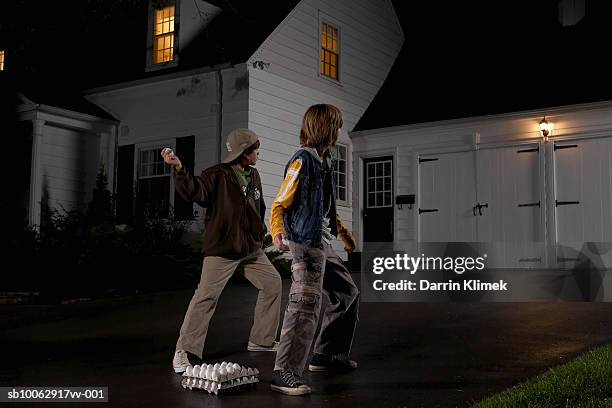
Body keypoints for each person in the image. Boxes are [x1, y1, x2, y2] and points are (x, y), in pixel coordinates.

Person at [161, 128, 282, 374]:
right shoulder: (216, 175)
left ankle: (261, 340)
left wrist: (260, 234)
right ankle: (184, 350)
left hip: (249, 248)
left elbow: (258, 207)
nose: (258, 152)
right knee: (206, 297)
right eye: (255, 149)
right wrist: (179, 169)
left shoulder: (254, 174)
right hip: (223, 248)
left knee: (273, 283)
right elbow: (195, 191)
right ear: (244, 153)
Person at [269, 104, 359, 396]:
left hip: (321, 241)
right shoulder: (302, 161)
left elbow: (324, 207)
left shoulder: (324, 161)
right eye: (336, 125)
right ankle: (284, 372)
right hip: (304, 243)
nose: (339, 130)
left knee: (346, 292)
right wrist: (277, 230)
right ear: (324, 128)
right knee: (304, 304)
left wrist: (343, 233)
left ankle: (325, 354)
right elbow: (280, 202)